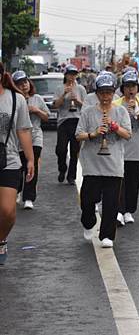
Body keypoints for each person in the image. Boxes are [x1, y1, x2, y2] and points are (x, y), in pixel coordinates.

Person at [75, 74, 132, 248]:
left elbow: (128, 134)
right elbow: (78, 135)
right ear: (97, 94)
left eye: (109, 93)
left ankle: (108, 235)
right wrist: (93, 134)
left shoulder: (121, 111)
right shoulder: (88, 112)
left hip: (113, 166)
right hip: (92, 166)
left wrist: (115, 127)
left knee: (111, 203)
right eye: (102, 93)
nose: (106, 96)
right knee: (87, 200)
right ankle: (88, 221)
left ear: (114, 93)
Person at [0, 62, 34, 264]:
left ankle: (1, 238)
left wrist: (30, 159)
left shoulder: (15, 99)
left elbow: (23, 130)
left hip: (9, 159)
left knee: (8, 211)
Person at [113, 71, 139, 226]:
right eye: (128, 86)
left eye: (133, 86)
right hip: (120, 150)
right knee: (119, 182)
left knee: (133, 183)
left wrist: (138, 112)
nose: (131, 90)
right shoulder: (116, 104)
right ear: (122, 89)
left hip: (138, 151)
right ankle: (118, 211)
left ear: (138, 88)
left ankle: (129, 210)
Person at [12, 71, 50, 210]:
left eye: (25, 82)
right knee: (19, 166)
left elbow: (47, 117)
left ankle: (29, 197)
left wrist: (36, 110)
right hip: (18, 140)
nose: (24, 85)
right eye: (20, 83)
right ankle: (17, 190)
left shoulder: (37, 98)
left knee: (31, 166)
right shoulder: (13, 99)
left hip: (35, 137)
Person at [53, 64, 87, 185]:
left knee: (75, 150)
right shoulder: (59, 88)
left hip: (77, 120)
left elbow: (86, 107)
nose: (72, 77)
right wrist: (64, 94)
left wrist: (76, 100)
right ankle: (62, 169)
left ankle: (71, 176)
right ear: (65, 75)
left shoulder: (81, 89)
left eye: (74, 74)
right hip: (64, 121)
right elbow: (55, 105)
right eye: (70, 74)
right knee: (61, 149)